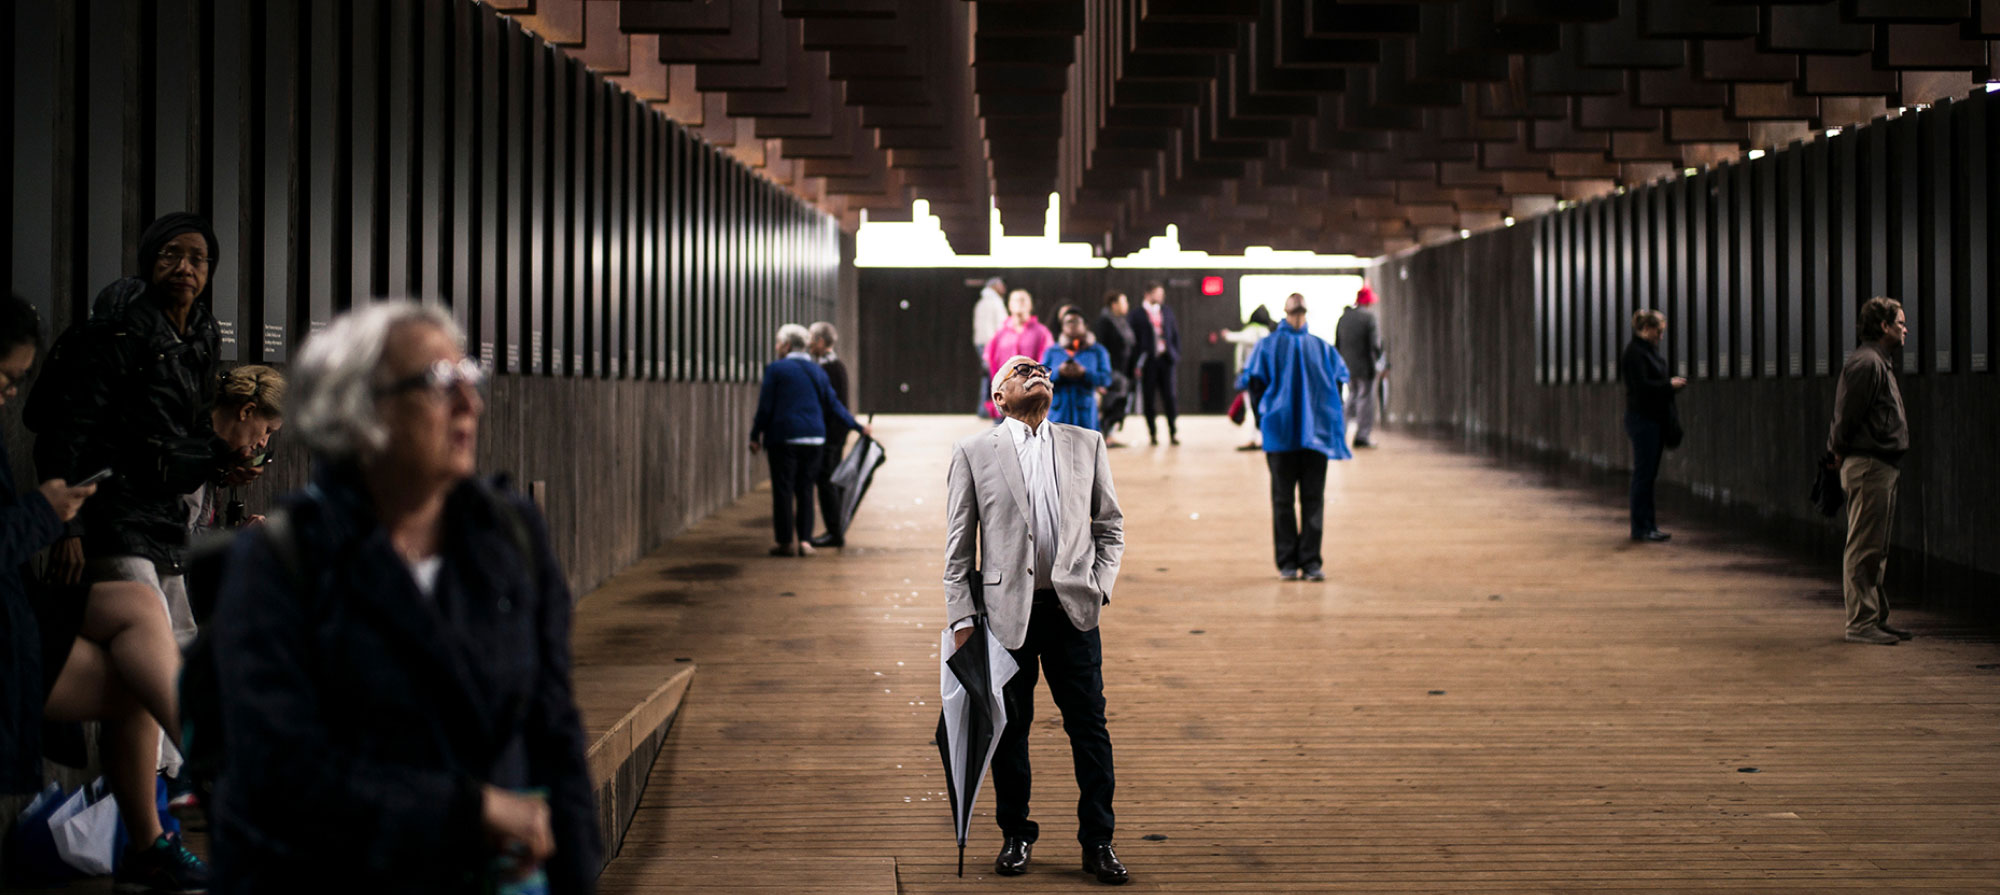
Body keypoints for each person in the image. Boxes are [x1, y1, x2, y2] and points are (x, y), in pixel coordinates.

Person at [208, 301, 601, 894]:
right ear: (360, 409)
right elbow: (281, 772)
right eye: (441, 382)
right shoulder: (282, 561)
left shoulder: (510, 535)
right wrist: (469, 811)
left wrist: (577, 877)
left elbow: (555, 732)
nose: (470, 402)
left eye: (470, 377)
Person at [0, 294, 206, 894]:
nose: (12, 394)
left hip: (19, 599)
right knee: (137, 675)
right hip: (9, 626)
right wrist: (46, 513)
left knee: (142, 611)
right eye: (8, 378)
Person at [28, 212, 259, 649]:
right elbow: (67, 430)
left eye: (198, 258)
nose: (185, 269)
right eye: (172, 255)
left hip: (163, 515)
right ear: (150, 259)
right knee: (154, 641)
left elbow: (191, 426)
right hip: (110, 512)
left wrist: (224, 459)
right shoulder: (117, 328)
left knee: (178, 640)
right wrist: (68, 530)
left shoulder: (203, 334)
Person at [944, 355, 1128, 885]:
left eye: (1042, 370)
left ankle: (1099, 841)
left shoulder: (1085, 443)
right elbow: (958, 551)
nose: (1038, 371)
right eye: (1022, 370)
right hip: (1004, 616)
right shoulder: (974, 452)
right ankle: (1015, 835)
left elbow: (1109, 526)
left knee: (1089, 728)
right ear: (997, 396)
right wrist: (962, 619)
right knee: (1009, 731)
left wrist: (1100, 586)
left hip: (1073, 610)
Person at [1238, 294, 1352, 581]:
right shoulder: (1321, 348)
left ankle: (1300, 562)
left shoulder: (1272, 347)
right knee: (1293, 500)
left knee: (1294, 499)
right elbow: (1338, 386)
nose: (1298, 317)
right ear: (1289, 314)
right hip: (1303, 434)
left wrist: (1265, 417)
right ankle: (1300, 562)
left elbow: (1255, 385)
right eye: (1295, 313)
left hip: (1287, 434)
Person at [1827, 297, 1911, 646]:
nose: (1906, 329)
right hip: (1869, 465)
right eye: (1901, 322)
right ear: (1883, 326)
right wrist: (1838, 451)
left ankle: (1874, 616)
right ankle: (1860, 623)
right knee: (1864, 546)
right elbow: (1846, 417)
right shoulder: (1866, 364)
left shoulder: (1878, 362)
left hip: (1881, 465)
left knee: (1877, 547)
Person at [750, 324, 868, 557]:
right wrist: (858, 427)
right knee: (805, 490)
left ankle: (785, 542)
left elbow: (765, 407)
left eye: (777, 343)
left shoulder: (776, 369)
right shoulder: (817, 371)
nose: (776, 347)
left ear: (785, 345)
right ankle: (805, 541)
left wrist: (755, 435)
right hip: (814, 439)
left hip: (784, 438)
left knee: (783, 490)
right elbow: (834, 405)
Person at [1620, 310, 1685, 544]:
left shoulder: (1646, 352)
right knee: (1643, 475)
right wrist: (1669, 385)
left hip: (1651, 420)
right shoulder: (1635, 354)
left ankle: (1649, 525)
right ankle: (1641, 528)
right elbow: (1642, 388)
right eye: (1659, 331)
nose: (1660, 336)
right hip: (1643, 420)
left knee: (1648, 476)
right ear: (1646, 329)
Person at [807, 321, 853, 550]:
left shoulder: (829, 368)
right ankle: (834, 531)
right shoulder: (836, 366)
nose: (808, 344)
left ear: (821, 342)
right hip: (835, 433)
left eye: (811, 339)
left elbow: (833, 404)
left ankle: (834, 532)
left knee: (826, 483)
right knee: (828, 482)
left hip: (830, 435)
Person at [983, 290, 1054, 421]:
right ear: (1009, 305)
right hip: (1005, 398)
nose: (1019, 303)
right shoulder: (1000, 334)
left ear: (1030, 305)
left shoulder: (1041, 332)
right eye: (1015, 300)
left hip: (1030, 399)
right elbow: (991, 364)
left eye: (1023, 299)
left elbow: (1046, 363)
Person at [1041, 308, 1114, 431]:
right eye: (1067, 322)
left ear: (1085, 325)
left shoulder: (1097, 351)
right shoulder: (1052, 352)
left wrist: (1084, 373)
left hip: (1085, 413)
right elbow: (1040, 378)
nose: (1071, 325)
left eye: (1075, 321)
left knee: (1086, 448)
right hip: (1058, 413)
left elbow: (1106, 379)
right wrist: (1058, 372)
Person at [1126, 281, 1180, 446]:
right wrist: (1135, 364)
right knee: (1149, 399)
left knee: (1170, 397)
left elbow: (1175, 335)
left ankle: (1173, 432)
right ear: (1148, 294)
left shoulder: (1167, 312)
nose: (1161, 297)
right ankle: (1153, 434)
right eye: (1158, 293)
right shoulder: (1136, 315)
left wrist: (1175, 354)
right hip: (1148, 362)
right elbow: (1132, 342)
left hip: (1166, 360)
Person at [1334, 286, 1388, 448]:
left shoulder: (1344, 318)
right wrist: (1382, 362)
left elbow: (1337, 343)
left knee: (1351, 399)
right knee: (1365, 401)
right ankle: (1362, 437)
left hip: (1347, 368)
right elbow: (1375, 344)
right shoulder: (1369, 318)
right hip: (1365, 368)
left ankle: (1340, 433)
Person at [1217, 306, 1275, 450]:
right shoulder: (1268, 332)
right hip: (1264, 375)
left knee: (1252, 408)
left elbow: (1244, 337)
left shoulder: (1255, 330)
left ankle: (1255, 439)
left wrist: (1227, 335)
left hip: (1252, 376)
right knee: (1258, 408)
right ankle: (1259, 438)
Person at [1093, 291, 1135, 447]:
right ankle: (1105, 436)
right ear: (1114, 304)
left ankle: (1110, 434)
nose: (1127, 305)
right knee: (1110, 403)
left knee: (1120, 403)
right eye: (1124, 302)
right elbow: (1101, 348)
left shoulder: (1121, 321)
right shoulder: (1104, 322)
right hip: (1111, 372)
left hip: (1123, 371)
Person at [973, 277, 1008, 418]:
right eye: (1001, 285)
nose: (1003, 288)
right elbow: (996, 327)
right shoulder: (992, 303)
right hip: (990, 345)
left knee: (988, 377)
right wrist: (992, 348)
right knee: (991, 377)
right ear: (994, 286)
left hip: (986, 344)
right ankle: (987, 409)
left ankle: (986, 409)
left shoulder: (984, 302)